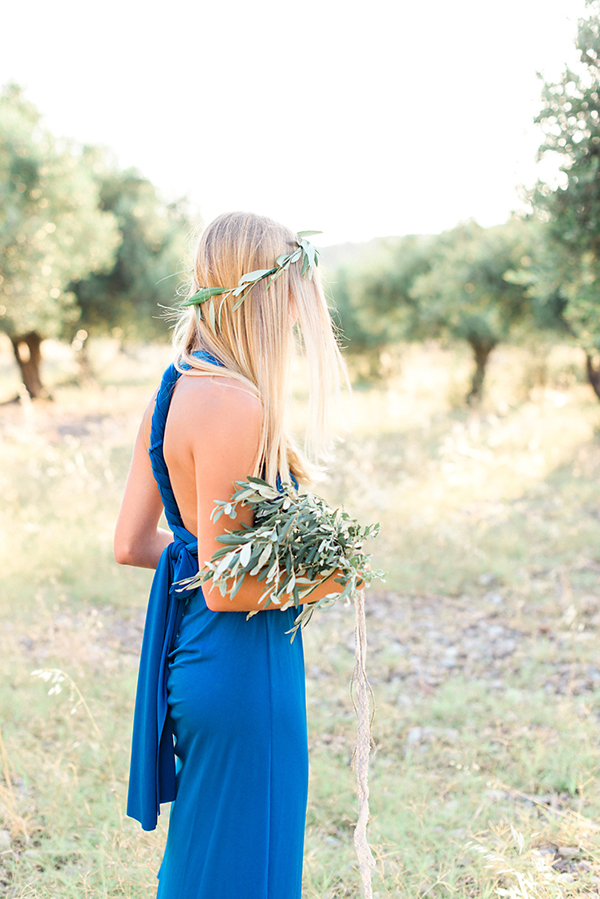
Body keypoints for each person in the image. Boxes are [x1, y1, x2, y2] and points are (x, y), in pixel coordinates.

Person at [113, 212, 349, 899]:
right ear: (264, 296)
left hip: (197, 659)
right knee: (251, 870)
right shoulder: (233, 403)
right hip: (244, 668)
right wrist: (324, 578)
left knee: (211, 867)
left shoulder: (174, 387)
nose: (299, 318)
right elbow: (223, 586)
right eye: (294, 298)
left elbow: (132, 544)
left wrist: (216, 560)